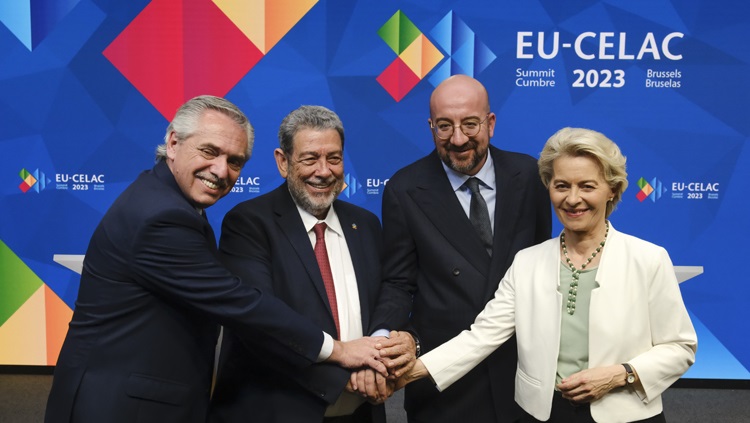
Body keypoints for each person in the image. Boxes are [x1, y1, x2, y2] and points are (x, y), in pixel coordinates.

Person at [45, 96, 385, 423]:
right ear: (174, 143)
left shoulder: (168, 199)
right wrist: (339, 351)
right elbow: (242, 305)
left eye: (235, 161)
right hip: (121, 406)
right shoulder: (160, 216)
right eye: (209, 151)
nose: (221, 170)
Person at [390, 127, 698, 423]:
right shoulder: (527, 262)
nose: (573, 199)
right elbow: (480, 337)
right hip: (543, 415)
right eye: (562, 185)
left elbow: (680, 347)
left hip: (626, 414)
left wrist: (621, 374)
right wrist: (408, 373)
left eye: (587, 186)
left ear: (612, 190)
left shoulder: (648, 259)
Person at [369, 74, 552, 422]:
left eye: (470, 124)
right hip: (444, 378)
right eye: (443, 126)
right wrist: (382, 341)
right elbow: (398, 282)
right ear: (430, 126)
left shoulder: (530, 175)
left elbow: (543, 264)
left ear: (491, 123)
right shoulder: (404, 189)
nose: (457, 139)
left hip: (521, 370)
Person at [210, 105, 402, 423]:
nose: (324, 171)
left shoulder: (365, 224)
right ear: (283, 162)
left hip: (360, 413)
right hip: (276, 413)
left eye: (334, 158)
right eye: (310, 158)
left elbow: (389, 294)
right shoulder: (248, 223)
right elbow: (261, 325)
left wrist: (379, 352)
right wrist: (349, 373)